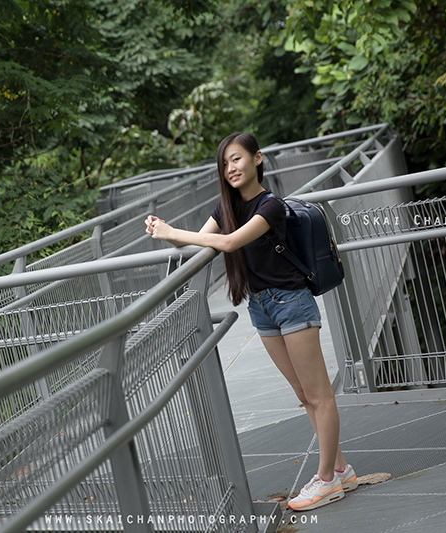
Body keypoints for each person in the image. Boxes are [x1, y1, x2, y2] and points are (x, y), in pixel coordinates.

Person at [144, 132, 356, 512]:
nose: (231, 169)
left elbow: (228, 244)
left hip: (291, 301)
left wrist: (173, 233)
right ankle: (341, 469)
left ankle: (327, 481)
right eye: (225, 164)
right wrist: (166, 230)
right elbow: (196, 243)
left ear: (258, 159)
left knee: (319, 394)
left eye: (237, 159)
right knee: (302, 394)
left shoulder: (270, 206)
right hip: (261, 307)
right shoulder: (225, 208)